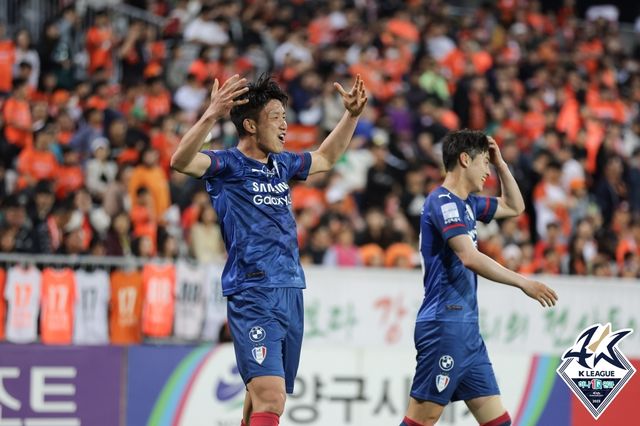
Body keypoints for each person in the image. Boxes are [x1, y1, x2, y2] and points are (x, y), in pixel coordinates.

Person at [171, 73, 367, 426]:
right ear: (250, 125)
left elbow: (325, 157)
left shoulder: (282, 164)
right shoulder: (228, 165)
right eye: (275, 117)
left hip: (290, 288)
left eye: (284, 117)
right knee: (270, 397)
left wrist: (351, 116)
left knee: (260, 399)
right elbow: (181, 160)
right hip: (253, 290)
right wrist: (212, 114)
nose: (284, 126)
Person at [401, 130, 558, 426]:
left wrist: (501, 164)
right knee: (423, 420)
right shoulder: (442, 202)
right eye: (484, 162)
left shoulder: (469, 205)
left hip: (467, 330)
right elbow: (469, 257)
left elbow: (515, 207)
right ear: (465, 159)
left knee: (498, 422)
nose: (488, 171)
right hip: (445, 325)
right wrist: (523, 282)